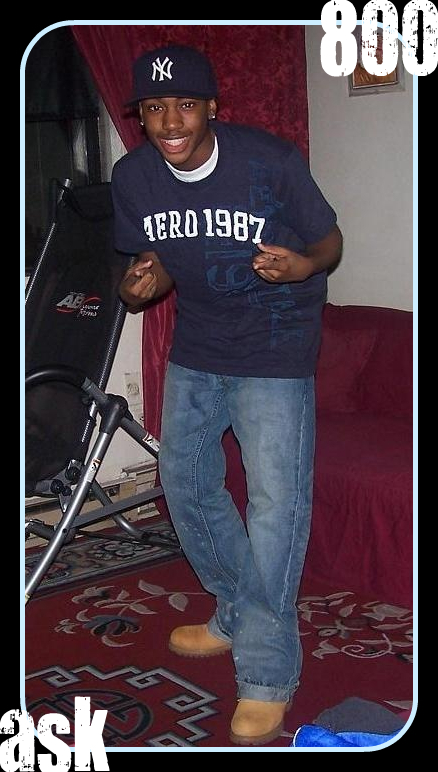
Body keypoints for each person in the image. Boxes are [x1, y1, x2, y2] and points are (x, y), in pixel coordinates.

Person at [111, 43, 343, 746]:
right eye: (155, 108)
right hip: (200, 345)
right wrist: (139, 285)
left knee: (275, 507)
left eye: (185, 105)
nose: (170, 122)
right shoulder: (134, 177)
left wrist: (302, 265)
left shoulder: (269, 162)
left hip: (276, 346)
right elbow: (154, 261)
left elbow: (329, 242)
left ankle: (267, 673)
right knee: (183, 481)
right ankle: (238, 609)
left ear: (212, 107)